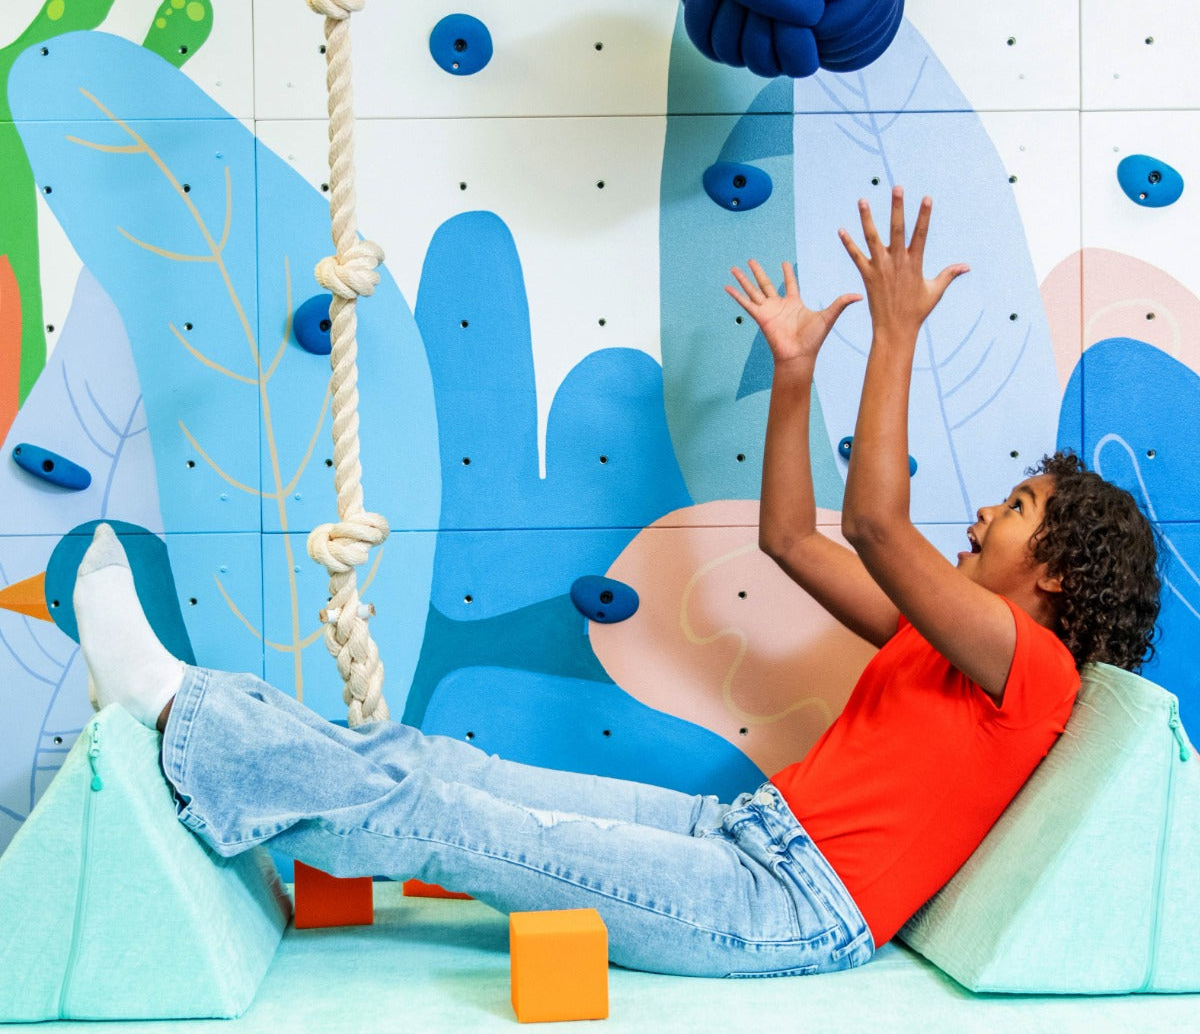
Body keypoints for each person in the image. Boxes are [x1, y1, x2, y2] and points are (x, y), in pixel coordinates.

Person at [73, 188, 1160, 979]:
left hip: (783, 907)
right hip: (740, 835)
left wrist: (894, 335)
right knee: (435, 760)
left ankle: (179, 713)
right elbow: (791, 537)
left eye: (1013, 511)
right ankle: (198, 722)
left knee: (448, 823)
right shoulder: (948, 649)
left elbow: (874, 522)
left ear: (1056, 572)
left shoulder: (1037, 673)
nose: (982, 513)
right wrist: (792, 376)